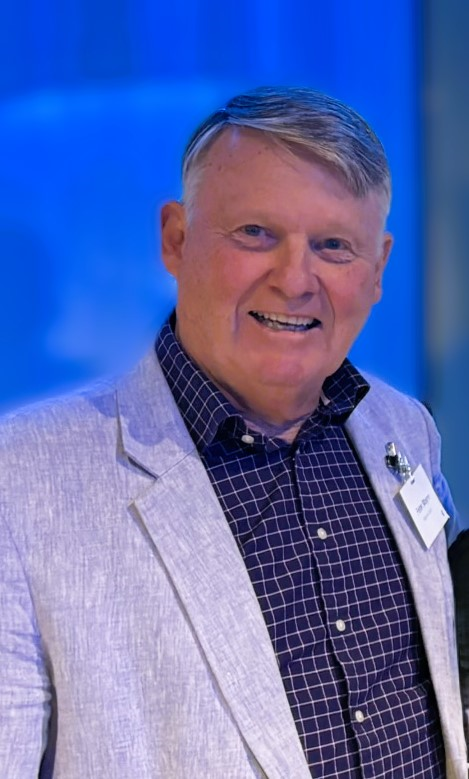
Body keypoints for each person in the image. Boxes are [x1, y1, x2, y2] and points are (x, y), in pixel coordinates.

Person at [0, 86, 467, 779]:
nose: (294, 279)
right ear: (176, 239)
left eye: (333, 245)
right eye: (255, 234)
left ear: (376, 270)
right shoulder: (25, 478)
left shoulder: (404, 429)